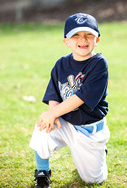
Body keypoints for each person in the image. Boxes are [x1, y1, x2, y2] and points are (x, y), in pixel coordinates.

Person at [30, 13, 110, 188]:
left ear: (97, 39)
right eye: (76, 35)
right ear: (66, 41)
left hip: (90, 131)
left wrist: (53, 114)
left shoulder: (99, 64)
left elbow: (80, 98)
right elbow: (54, 95)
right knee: (43, 125)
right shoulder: (61, 64)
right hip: (66, 124)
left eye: (88, 34)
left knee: (93, 180)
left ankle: (100, 153)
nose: (83, 39)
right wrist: (52, 115)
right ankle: (42, 173)